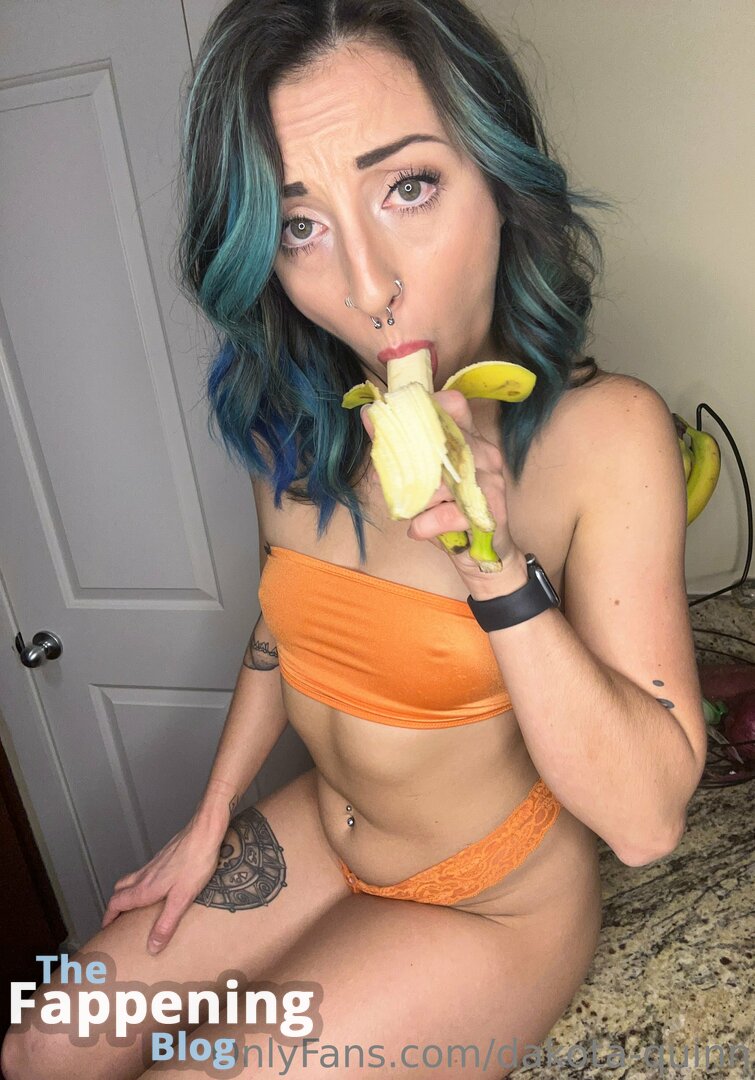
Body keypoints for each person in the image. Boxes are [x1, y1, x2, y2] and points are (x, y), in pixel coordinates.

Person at [2, 1, 708, 1077]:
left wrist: (492, 565)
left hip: (488, 894)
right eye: (300, 225)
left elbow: (647, 821)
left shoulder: (603, 435)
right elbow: (280, 627)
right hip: (323, 832)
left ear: (498, 179)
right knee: (44, 1044)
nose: (368, 285)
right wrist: (210, 814)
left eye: (407, 186)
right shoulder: (295, 418)